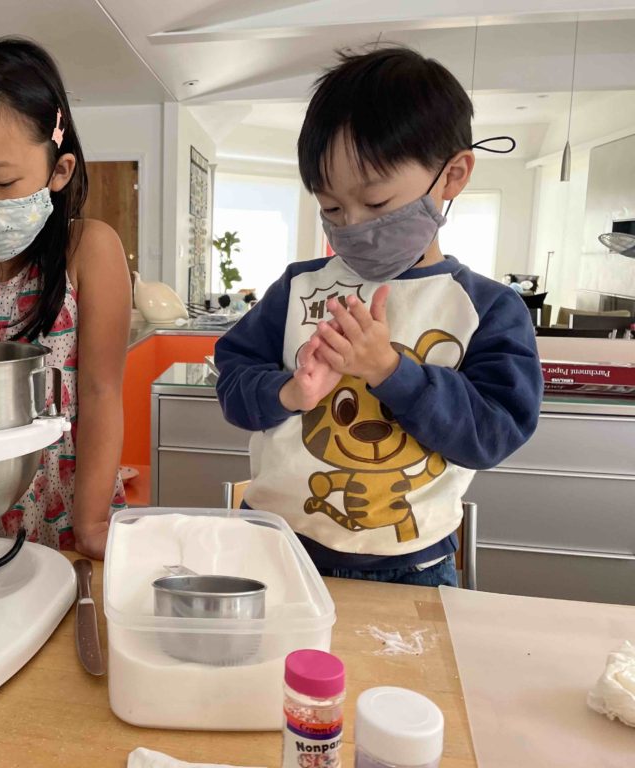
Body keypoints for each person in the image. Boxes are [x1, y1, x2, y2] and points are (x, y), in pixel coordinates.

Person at [214, 46, 543, 586]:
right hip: (277, 550)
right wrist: (287, 393)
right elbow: (233, 382)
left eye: (377, 203)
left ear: (453, 175)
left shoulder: (486, 309)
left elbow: (492, 434)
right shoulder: (299, 288)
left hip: (411, 564)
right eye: (333, 208)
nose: (352, 226)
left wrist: (393, 372)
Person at [0, 37, 131, 559]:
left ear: (58, 171)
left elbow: (102, 393)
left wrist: (91, 521)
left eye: (3, 182)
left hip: (69, 506)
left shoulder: (90, 249)